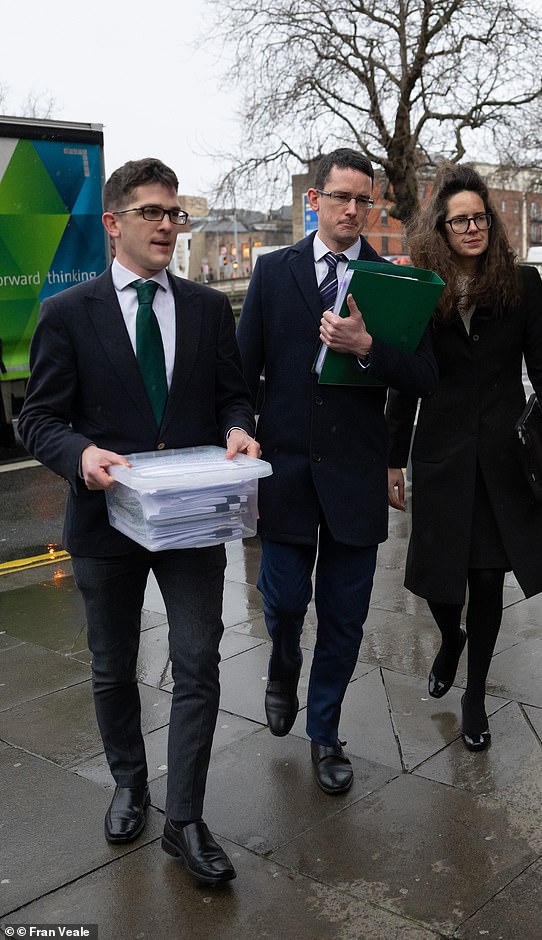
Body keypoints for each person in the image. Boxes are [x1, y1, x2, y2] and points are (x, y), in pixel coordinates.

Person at [17, 158, 260, 885]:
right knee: (111, 664)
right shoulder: (67, 315)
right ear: (114, 223)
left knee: (198, 661)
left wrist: (240, 430)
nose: (167, 225)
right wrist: (80, 452)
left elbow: (233, 396)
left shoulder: (210, 309)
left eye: (174, 213)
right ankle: (130, 783)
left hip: (190, 519)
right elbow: (38, 418)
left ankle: (184, 819)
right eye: (152, 212)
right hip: (105, 524)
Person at [237, 148, 438, 793]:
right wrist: (239, 431)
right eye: (341, 197)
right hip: (286, 474)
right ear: (315, 200)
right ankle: (282, 663)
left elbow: (424, 377)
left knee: (346, 618)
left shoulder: (393, 283)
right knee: (286, 601)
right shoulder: (273, 274)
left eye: (363, 200)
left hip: (354, 478)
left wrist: (367, 348)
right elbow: (240, 376)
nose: (353, 210)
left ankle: (325, 732)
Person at [387, 162, 542, 751]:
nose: (472, 228)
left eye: (479, 217)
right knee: (438, 580)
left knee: (488, 577)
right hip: (441, 453)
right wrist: (392, 459)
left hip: (503, 455)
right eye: (459, 220)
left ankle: (474, 695)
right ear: (439, 231)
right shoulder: (423, 287)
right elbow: (403, 379)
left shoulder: (522, 284)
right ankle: (450, 638)